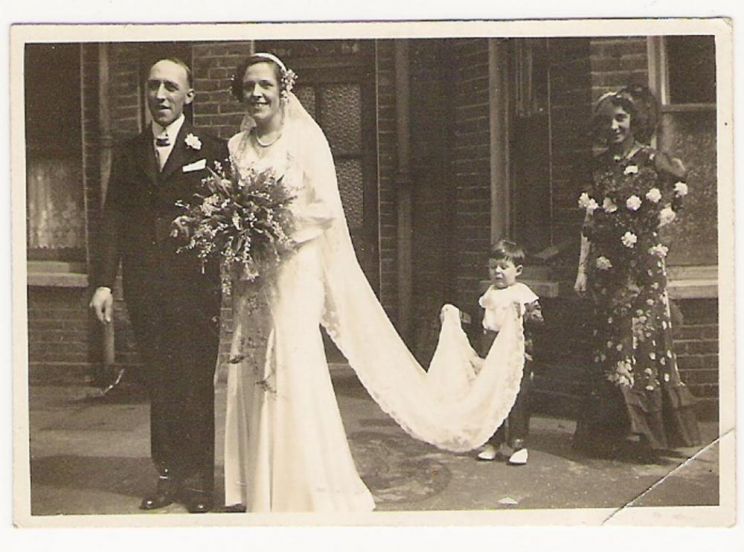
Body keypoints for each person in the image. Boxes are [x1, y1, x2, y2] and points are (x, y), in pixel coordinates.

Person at [223, 53, 530, 513]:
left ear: (283, 90)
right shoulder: (236, 147)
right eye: (248, 86)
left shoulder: (305, 138)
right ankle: (256, 486)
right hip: (255, 274)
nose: (256, 94)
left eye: (265, 84)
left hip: (296, 269)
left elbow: (326, 209)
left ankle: (300, 486)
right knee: (250, 360)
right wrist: (242, 242)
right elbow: (232, 209)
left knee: (289, 361)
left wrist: (274, 229)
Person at [89, 58, 228, 513]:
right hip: (146, 287)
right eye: (153, 86)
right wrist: (104, 283)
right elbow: (113, 218)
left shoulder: (212, 149)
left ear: (190, 96)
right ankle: (167, 475)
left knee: (195, 383)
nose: (161, 95)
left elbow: (227, 218)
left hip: (195, 290)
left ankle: (200, 482)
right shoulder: (129, 152)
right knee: (162, 383)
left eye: (170, 87)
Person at [572, 85, 701, 461]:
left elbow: (680, 187)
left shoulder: (652, 159)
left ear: (634, 120)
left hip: (643, 268)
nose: (613, 127)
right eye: (606, 121)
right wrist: (581, 270)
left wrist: (662, 220)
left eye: (620, 118)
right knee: (612, 344)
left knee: (644, 344)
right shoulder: (599, 166)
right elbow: (588, 219)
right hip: (607, 267)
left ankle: (651, 436)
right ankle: (609, 433)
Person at [475, 239, 543, 465]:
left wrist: (524, 313)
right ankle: (493, 442)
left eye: (503, 267)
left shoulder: (522, 293)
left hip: (516, 353)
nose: (497, 272)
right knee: (492, 397)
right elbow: (483, 320)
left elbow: (538, 321)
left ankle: (518, 444)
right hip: (492, 350)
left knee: (516, 397)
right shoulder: (489, 293)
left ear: (518, 270)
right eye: (492, 267)